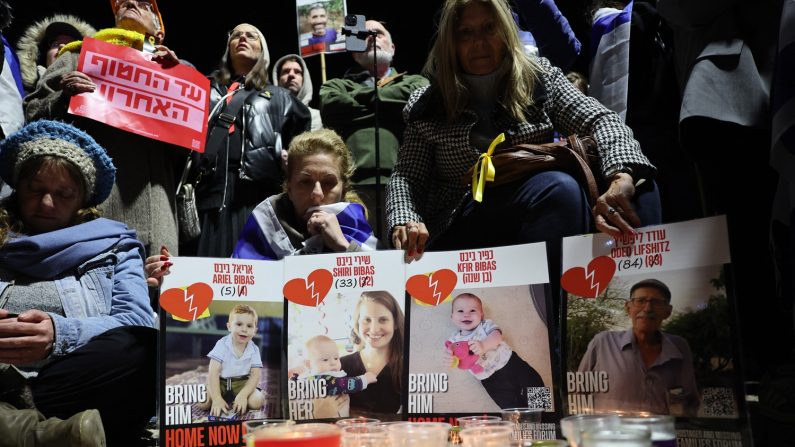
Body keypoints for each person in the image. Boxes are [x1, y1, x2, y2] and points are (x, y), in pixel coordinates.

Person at [387, 0, 660, 259]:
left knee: (641, 187)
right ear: (451, 43)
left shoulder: (540, 77)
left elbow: (600, 120)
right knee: (558, 189)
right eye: (465, 33)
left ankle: (624, 289)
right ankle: (554, 304)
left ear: (505, 31)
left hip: (543, 205)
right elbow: (407, 176)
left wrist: (622, 174)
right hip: (461, 218)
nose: (479, 42)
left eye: (489, 28)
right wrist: (405, 217)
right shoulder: (427, 102)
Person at [0, 120, 157, 445]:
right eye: (35, 189)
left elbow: (137, 321)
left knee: (145, 347)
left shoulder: (116, 244)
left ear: (82, 198)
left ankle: (18, 425)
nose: (46, 203)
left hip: (65, 384)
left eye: (63, 194)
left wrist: (60, 335)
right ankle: (40, 434)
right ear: (18, 186)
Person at [23, 0, 184, 258]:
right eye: (123, 3)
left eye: (144, 4)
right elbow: (33, 114)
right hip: (93, 208)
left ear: (159, 29)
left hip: (156, 210)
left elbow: (192, 149)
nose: (130, 3)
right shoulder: (79, 56)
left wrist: (176, 77)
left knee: (156, 291)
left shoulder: (175, 71)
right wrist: (65, 98)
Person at [145, 129, 376, 285]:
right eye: (305, 182)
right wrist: (175, 279)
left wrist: (343, 247)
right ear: (289, 186)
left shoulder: (355, 226)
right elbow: (233, 289)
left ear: (344, 187)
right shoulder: (266, 224)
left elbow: (382, 297)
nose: (317, 194)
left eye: (328, 183)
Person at [191, 23, 310, 258]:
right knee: (207, 272)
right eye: (236, 35)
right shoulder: (204, 88)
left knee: (253, 274)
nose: (242, 38)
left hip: (254, 196)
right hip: (208, 192)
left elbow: (303, 139)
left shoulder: (281, 97)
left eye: (251, 35)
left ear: (262, 50)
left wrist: (290, 158)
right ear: (228, 48)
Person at [320, 20, 429, 238]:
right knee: (359, 258)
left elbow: (419, 99)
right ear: (354, 53)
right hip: (352, 187)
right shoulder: (336, 86)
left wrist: (358, 104)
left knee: (406, 257)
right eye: (364, 35)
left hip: (406, 185)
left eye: (378, 33)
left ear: (392, 47)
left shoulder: (415, 82)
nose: (371, 36)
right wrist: (388, 106)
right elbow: (330, 104)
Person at [577, 279, 699, 416]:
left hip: (661, 435)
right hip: (609, 435)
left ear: (667, 311)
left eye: (656, 302)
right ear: (628, 308)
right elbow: (578, 391)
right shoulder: (603, 342)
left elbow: (689, 401)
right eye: (640, 301)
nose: (647, 308)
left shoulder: (680, 347)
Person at [446, 293, 544, 409]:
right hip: (490, 379)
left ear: (481, 315)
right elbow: (452, 356)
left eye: (472, 310)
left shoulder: (485, 325)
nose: (466, 314)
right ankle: (524, 421)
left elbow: (497, 337)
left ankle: (542, 414)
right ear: (452, 317)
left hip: (510, 363)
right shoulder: (454, 339)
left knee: (534, 382)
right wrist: (450, 360)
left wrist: (483, 345)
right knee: (509, 405)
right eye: (460, 311)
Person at [340, 291, 404, 417]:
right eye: (367, 320)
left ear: (395, 323)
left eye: (383, 320)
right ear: (357, 323)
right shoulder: (340, 366)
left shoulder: (408, 367)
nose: (374, 329)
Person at [198, 304, 265, 418]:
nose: (244, 329)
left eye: (249, 326)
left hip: (243, 383)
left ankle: (239, 399)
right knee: (203, 402)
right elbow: (213, 371)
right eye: (239, 324)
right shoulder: (222, 344)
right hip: (222, 382)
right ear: (229, 327)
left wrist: (243, 395)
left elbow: (255, 376)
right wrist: (216, 398)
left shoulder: (254, 349)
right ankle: (217, 395)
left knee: (257, 402)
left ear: (255, 331)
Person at [294, 335, 377, 418]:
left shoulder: (310, 377)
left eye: (336, 358)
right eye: (325, 359)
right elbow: (344, 384)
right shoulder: (320, 379)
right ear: (309, 364)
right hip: (328, 423)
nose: (333, 363)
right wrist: (365, 379)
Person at [16, 13, 96, 93]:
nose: (62, 46)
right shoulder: (20, 93)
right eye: (55, 44)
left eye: (71, 44)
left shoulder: (100, 99)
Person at [272, 54, 323, 130]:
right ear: (277, 79)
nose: (291, 75)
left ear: (304, 80)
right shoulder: (267, 113)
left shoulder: (318, 118)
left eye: (297, 72)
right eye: (286, 72)